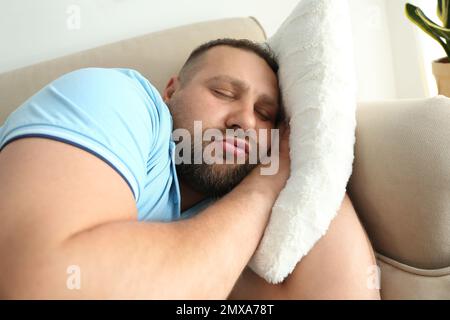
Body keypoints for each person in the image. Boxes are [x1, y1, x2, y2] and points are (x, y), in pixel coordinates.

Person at [0, 38, 380, 299]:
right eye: (224, 93)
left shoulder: (228, 207)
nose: (244, 122)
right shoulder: (117, 98)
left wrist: (305, 156)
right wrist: (262, 191)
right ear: (171, 91)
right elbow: (41, 283)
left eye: (265, 115)